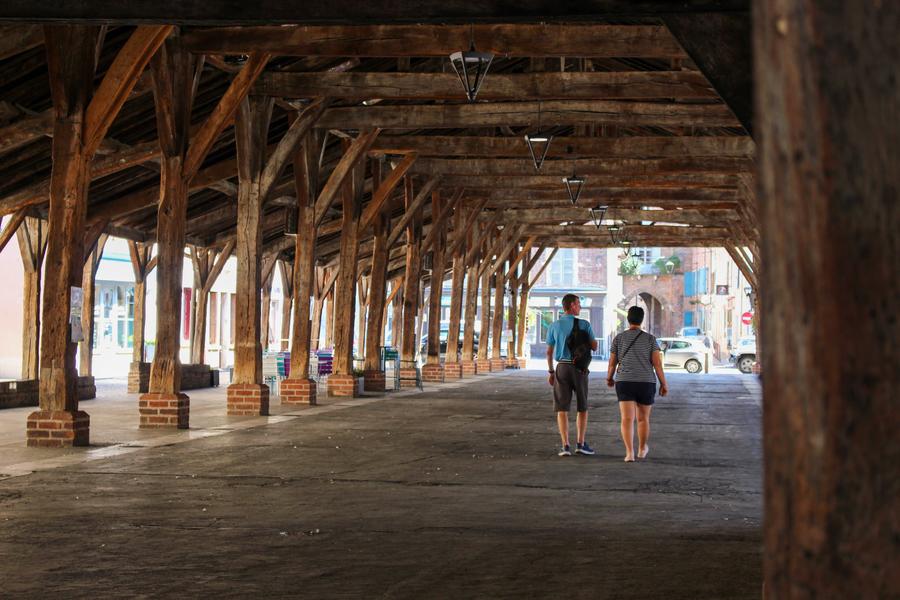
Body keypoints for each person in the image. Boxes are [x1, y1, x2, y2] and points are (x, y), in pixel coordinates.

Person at [606, 306, 668, 462]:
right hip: (645, 382)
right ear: (642, 320)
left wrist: (609, 378)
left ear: (628, 319)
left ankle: (629, 453)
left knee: (626, 419)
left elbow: (612, 363)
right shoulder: (650, 339)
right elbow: (657, 364)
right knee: (643, 419)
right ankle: (641, 449)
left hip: (625, 381)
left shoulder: (619, 338)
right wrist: (664, 384)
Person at [546, 294, 599, 457]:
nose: (580, 307)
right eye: (578, 304)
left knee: (562, 408)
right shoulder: (584, 324)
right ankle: (581, 444)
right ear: (571, 306)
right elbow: (594, 346)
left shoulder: (554, 325)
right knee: (582, 407)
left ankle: (565, 446)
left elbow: (549, 352)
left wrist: (551, 371)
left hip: (562, 367)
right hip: (579, 369)